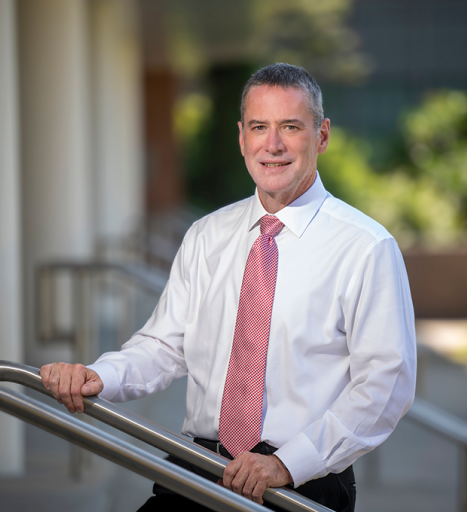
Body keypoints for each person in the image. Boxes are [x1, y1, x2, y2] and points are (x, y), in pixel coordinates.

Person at [41, 63, 416, 512]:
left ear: (322, 135)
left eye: (290, 127)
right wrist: (100, 375)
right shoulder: (206, 235)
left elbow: (385, 384)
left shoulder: (366, 247)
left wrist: (287, 464)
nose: (272, 144)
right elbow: (164, 345)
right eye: (260, 127)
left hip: (299, 485)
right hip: (198, 466)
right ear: (242, 137)